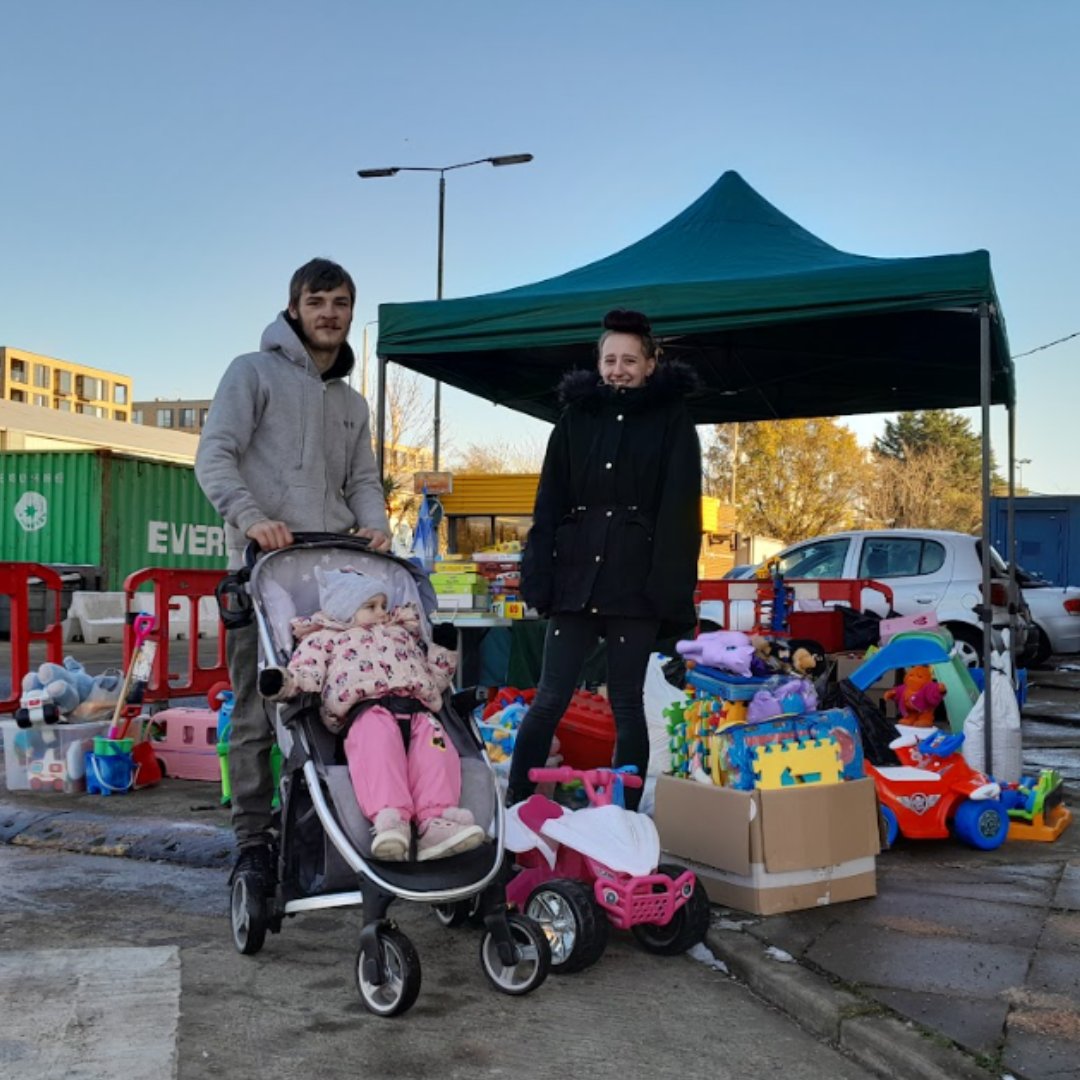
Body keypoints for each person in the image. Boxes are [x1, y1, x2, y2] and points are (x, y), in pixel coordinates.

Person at [195, 257, 391, 892]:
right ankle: (252, 840)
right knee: (258, 712)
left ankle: (325, 826)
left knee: (340, 707)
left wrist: (376, 525)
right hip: (264, 574)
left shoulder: (352, 403)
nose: (329, 314)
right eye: (317, 302)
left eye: (340, 303)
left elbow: (363, 480)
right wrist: (253, 519)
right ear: (294, 309)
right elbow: (215, 456)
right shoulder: (251, 374)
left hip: (333, 577)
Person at [508, 309, 701, 811]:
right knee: (548, 698)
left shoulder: (673, 421)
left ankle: (623, 817)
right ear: (598, 363)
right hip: (575, 577)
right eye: (610, 359)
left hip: (634, 582)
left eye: (629, 359)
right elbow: (548, 499)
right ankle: (517, 806)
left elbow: (681, 510)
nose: (618, 369)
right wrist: (540, 575)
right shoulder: (576, 418)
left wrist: (668, 593)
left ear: (650, 363)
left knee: (626, 703)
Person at [259, 566, 485, 861]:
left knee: (437, 754)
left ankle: (436, 822)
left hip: (419, 708)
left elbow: (434, 679)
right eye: (371, 607)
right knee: (378, 751)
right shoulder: (324, 638)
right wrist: (282, 682)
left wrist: (441, 650)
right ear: (343, 611)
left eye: (383, 605)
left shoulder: (402, 635)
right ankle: (390, 820)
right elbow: (307, 672)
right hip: (366, 710)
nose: (382, 612)